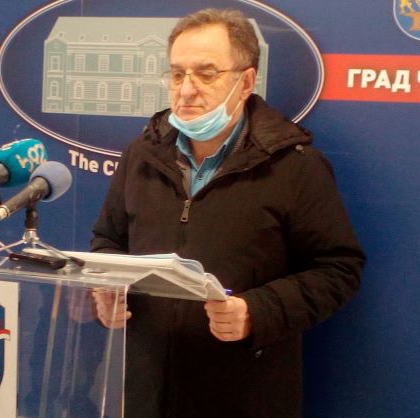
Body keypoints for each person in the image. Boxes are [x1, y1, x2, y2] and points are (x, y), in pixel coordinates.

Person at [91, 8, 365, 418]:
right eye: (177, 74)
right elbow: (108, 240)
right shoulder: (141, 155)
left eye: (206, 74)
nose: (186, 90)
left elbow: (338, 269)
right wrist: (108, 291)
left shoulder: (293, 166)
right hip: (144, 390)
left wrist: (257, 312)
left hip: (243, 394)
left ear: (246, 82)